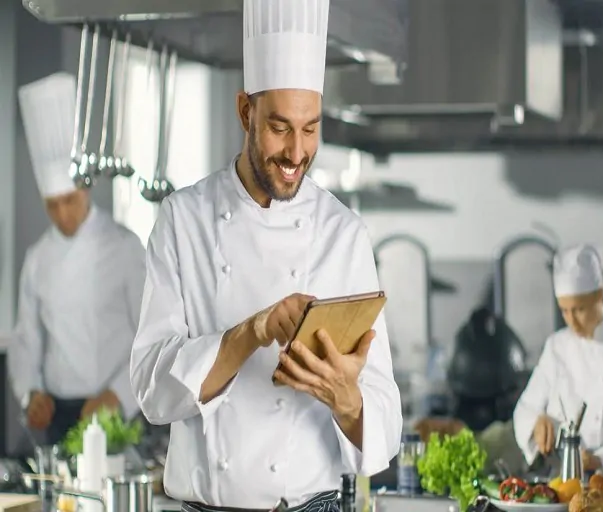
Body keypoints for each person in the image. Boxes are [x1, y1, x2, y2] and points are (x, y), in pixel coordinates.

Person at [129, 0, 402, 510]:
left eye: (311, 128)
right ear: (244, 112)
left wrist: (348, 400)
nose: (297, 153)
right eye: (279, 127)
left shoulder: (343, 233)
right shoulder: (182, 219)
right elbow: (151, 390)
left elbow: (385, 418)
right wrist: (251, 332)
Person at [11, 72, 146, 444]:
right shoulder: (38, 258)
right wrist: (31, 393)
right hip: (58, 415)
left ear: (86, 188)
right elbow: (26, 340)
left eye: (69, 201)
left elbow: (151, 335)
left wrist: (118, 395)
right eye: (52, 205)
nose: (63, 214)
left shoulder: (125, 247)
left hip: (115, 409)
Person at [512, 244, 603, 473]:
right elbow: (524, 409)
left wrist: (599, 460)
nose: (571, 321)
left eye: (578, 309)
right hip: (559, 483)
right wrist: (537, 423)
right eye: (564, 311)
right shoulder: (556, 346)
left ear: (599, 295)